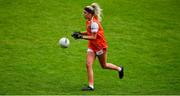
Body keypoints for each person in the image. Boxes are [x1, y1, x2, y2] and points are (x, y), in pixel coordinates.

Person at [72, 3, 124, 91]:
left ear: (89, 14)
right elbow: (89, 32)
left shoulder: (94, 23)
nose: (83, 14)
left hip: (100, 47)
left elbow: (93, 37)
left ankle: (119, 68)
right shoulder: (88, 21)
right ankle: (91, 86)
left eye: (85, 13)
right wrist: (80, 32)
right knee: (88, 65)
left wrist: (81, 37)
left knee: (104, 65)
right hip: (92, 46)